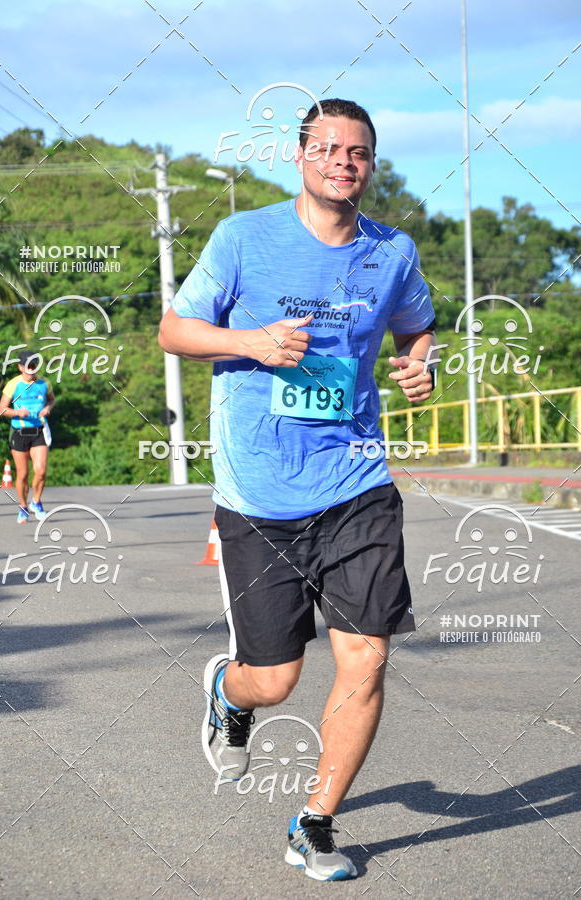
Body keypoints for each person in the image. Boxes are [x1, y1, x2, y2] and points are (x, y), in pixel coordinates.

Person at [159, 98, 437, 881]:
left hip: (357, 481)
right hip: (260, 492)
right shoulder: (243, 237)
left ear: (371, 166)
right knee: (276, 677)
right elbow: (175, 331)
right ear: (301, 156)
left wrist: (421, 360)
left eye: (358, 153)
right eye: (328, 149)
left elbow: (417, 326)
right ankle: (232, 693)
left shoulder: (394, 252)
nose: (343, 162)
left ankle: (314, 823)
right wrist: (249, 342)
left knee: (367, 657)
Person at [0, 350, 54, 523]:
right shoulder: (13, 384)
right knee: (22, 475)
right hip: (20, 432)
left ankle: (36, 501)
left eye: (34, 366)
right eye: (28, 366)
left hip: (38, 430)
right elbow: (2, 409)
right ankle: (23, 506)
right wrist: (17, 412)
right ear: (20, 367)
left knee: (41, 471)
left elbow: (52, 400)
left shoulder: (45, 383)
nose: (31, 369)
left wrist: (48, 408)